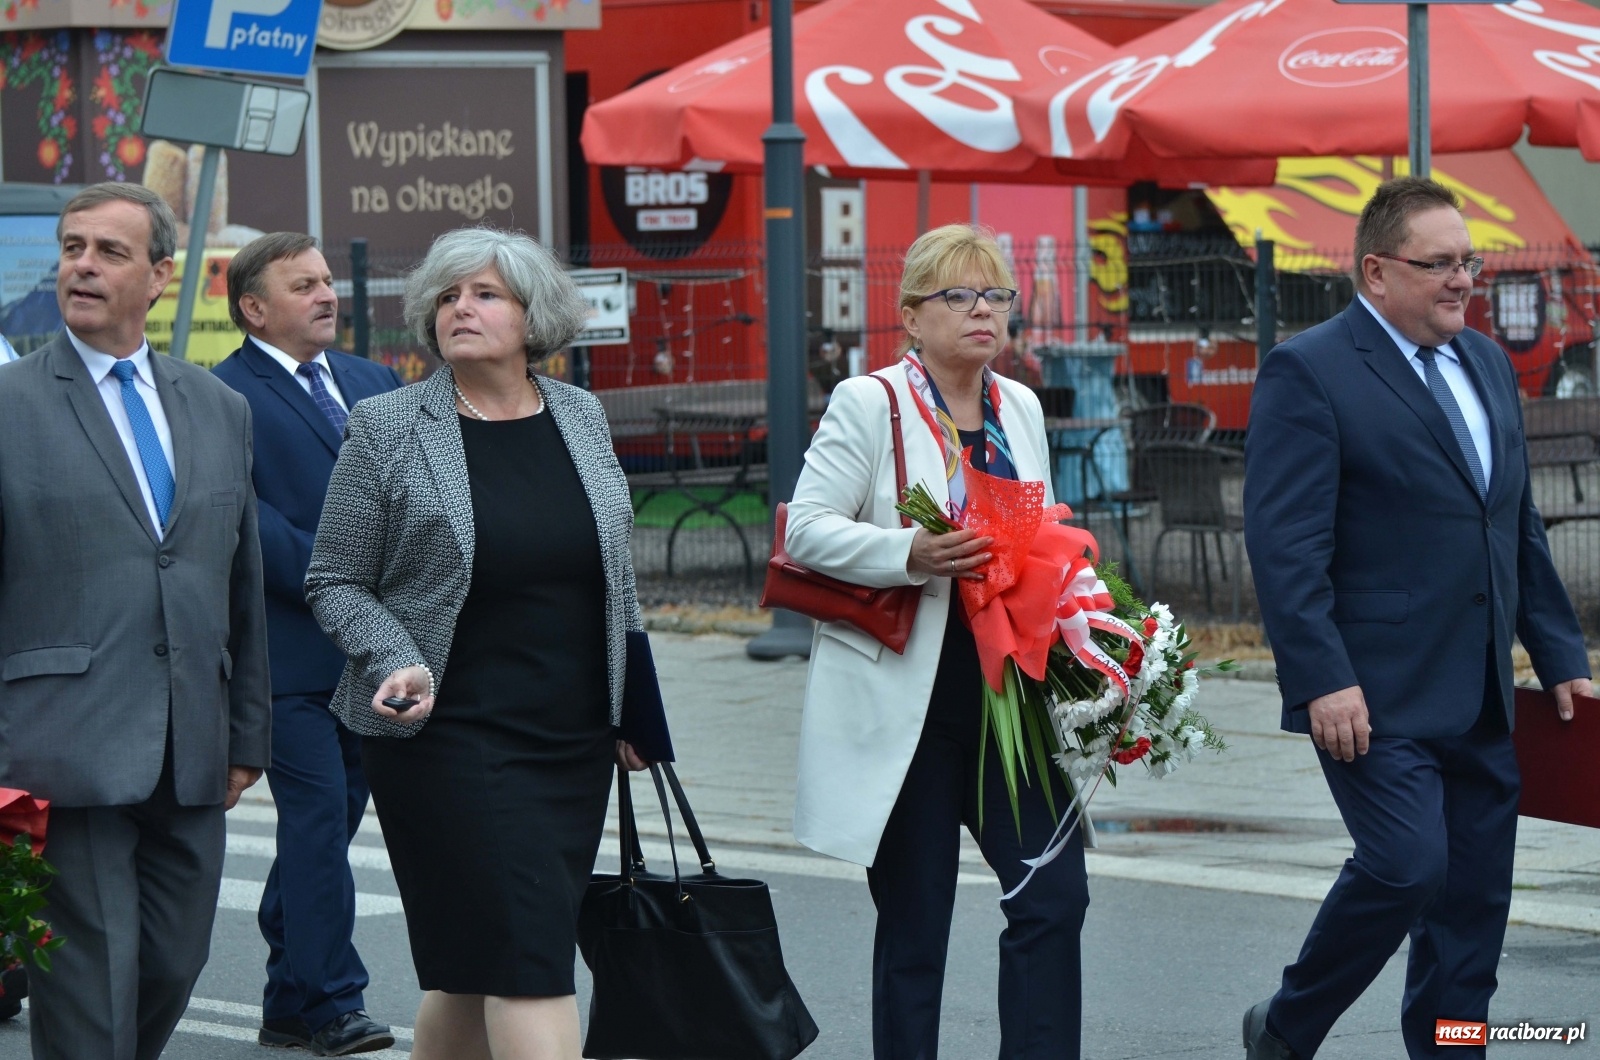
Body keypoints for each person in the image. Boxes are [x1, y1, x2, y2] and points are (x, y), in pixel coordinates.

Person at [1241, 176, 1591, 1060]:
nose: (1461, 281)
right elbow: (1285, 549)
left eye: (1468, 261)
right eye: (1437, 264)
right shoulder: (1309, 369)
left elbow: (1514, 522)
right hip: (1371, 693)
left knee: (1474, 903)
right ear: (1376, 271)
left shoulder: (1482, 362)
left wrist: (1560, 657)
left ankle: (1450, 1049)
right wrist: (1321, 677)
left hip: (1480, 689)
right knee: (1406, 866)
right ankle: (1287, 1026)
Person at [305, 226, 651, 1060]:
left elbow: (617, 581)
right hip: (447, 735)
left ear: (534, 317)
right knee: (531, 963)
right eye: (450, 295)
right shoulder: (387, 425)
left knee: (471, 967)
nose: (462, 307)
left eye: (486, 293)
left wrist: (637, 709)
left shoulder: (580, 413)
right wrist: (396, 656)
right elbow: (334, 580)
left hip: (568, 739)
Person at [787, 223, 1090, 1059]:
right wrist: (907, 554)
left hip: (1008, 696)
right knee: (917, 925)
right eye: (958, 295)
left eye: (996, 295)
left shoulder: (1018, 404)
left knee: (1053, 897)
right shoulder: (871, 401)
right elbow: (804, 531)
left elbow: (1040, 534)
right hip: (908, 704)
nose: (982, 311)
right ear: (911, 316)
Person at [0, 181, 270, 1059]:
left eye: (108, 251)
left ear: (159, 275)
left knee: (171, 962)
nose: (81, 264)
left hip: (191, 744)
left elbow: (242, 579)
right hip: (56, 746)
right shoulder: (11, 405)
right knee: (87, 988)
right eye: (72, 246)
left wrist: (246, 732)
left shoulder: (217, 408)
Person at [212, 232, 404, 1055]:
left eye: (327, 281)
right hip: (285, 654)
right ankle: (330, 1001)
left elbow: (418, 491)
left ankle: (290, 994)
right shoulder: (220, 394)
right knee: (318, 818)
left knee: (334, 820)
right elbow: (246, 522)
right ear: (255, 307)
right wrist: (345, 582)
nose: (327, 295)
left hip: (373, 653)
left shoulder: (374, 381)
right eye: (304, 285)